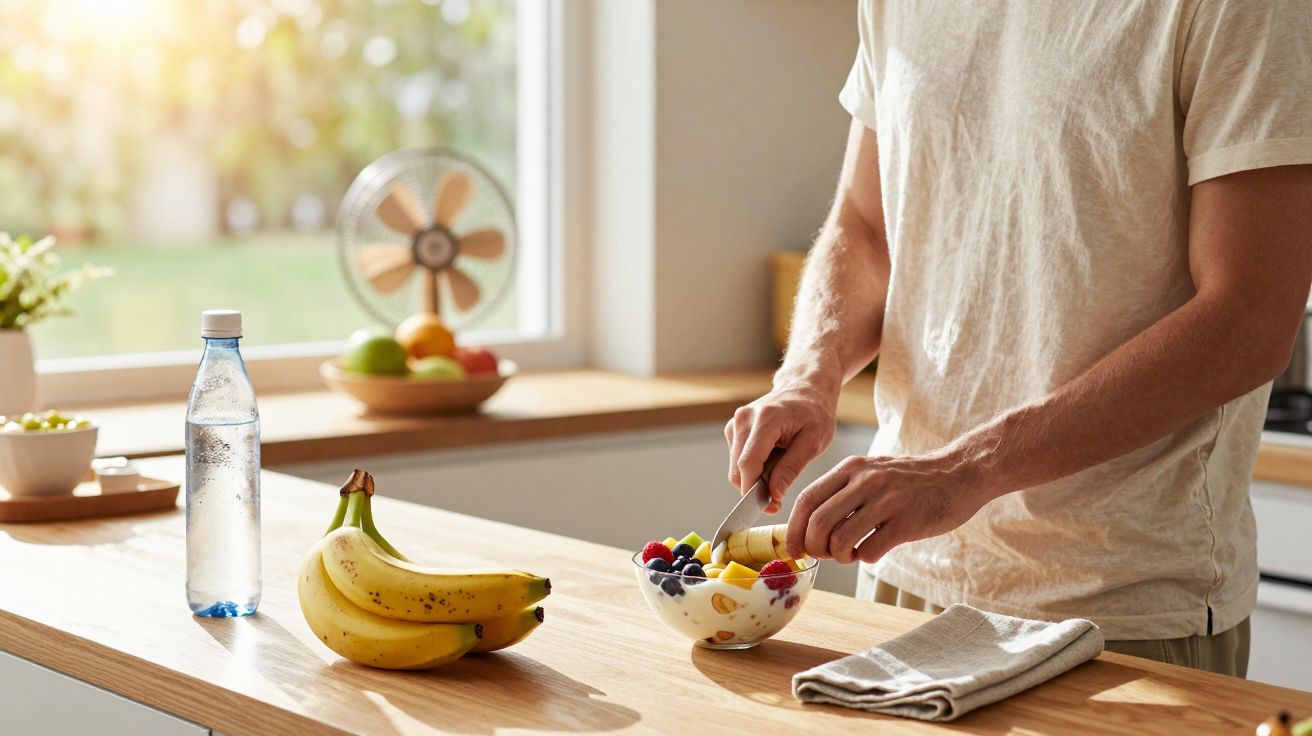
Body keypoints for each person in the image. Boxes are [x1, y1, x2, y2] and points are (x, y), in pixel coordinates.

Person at [725, 0, 1312, 677]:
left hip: (1116, 608)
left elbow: (1249, 320)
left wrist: (964, 469)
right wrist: (809, 376)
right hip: (899, 575)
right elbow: (866, 225)